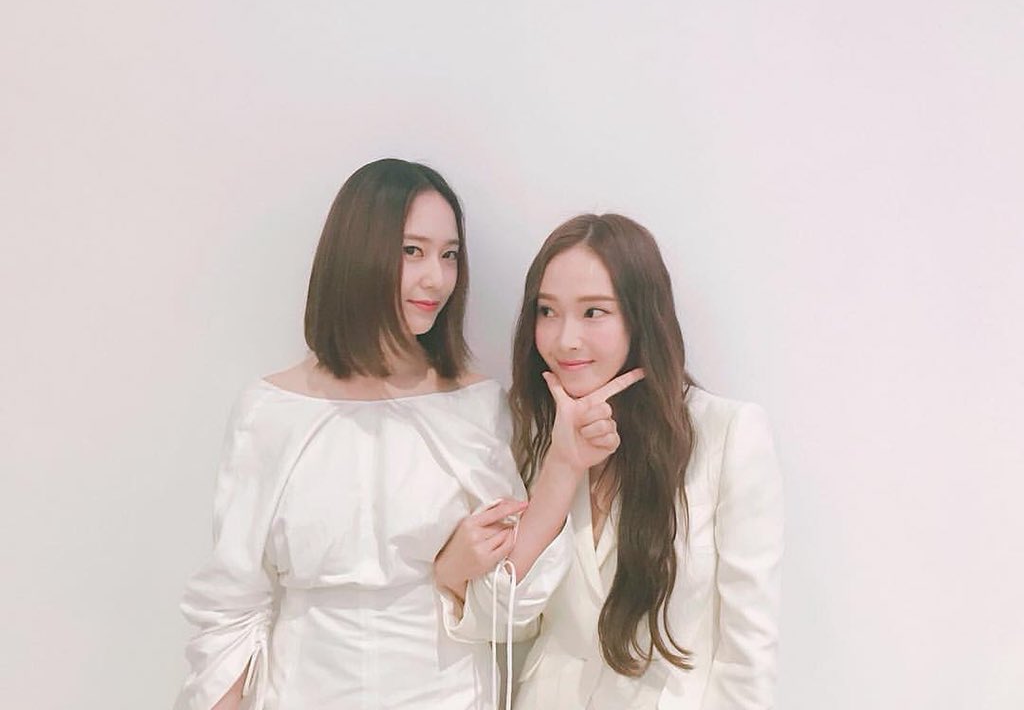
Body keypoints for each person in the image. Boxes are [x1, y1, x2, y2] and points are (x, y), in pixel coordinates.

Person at [173, 160, 637, 710]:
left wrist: (561, 464)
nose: (436, 278)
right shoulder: (272, 411)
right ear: (357, 251)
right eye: (412, 251)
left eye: (449, 255)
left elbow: (508, 594)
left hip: (450, 693)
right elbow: (231, 606)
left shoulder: (476, 405)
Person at [479, 213, 782, 709]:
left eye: (593, 312)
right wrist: (561, 466)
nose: (565, 339)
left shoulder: (727, 434)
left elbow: (748, 651)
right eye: (547, 311)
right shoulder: (529, 434)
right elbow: (498, 619)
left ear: (641, 316)